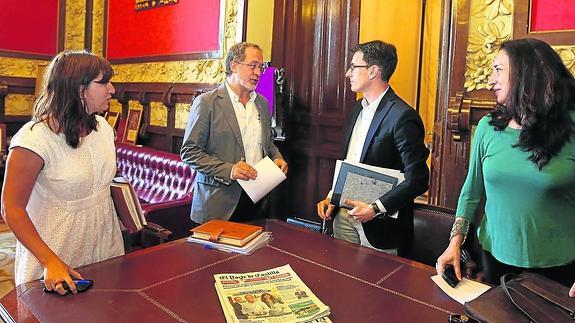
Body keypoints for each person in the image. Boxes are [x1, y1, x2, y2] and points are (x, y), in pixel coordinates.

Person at [435, 38, 575, 298]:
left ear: (528, 74)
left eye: (498, 70)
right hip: (495, 259)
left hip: (560, 268)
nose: (490, 80)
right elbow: (471, 192)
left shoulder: (572, 128)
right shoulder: (489, 127)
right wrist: (455, 242)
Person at [0, 50, 124, 295]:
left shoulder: (104, 129)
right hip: (55, 250)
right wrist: (50, 261)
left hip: (106, 243)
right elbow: (11, 208)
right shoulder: (34, 139)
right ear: (78, 89)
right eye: (103, 82)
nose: (112, 89)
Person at [316, 40, 429, 255]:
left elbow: (418, 179)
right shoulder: (355, 109)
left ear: (373, 71)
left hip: (380, 225)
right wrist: (333, 196)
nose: (348, 74)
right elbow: (351, 160)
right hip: (343, 217)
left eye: (353, 67)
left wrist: (375, 209)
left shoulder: (403, 116)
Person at [180, 42, 288, 225]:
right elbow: (189, 152)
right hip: (218, 204)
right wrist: (230, 170)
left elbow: (268, 143)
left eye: (261, 67)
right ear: (234, 65)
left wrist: (277, 157)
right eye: (252, 66)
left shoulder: (262, 103)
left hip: (256, 200)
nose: (258, 73)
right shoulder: (207, 103)